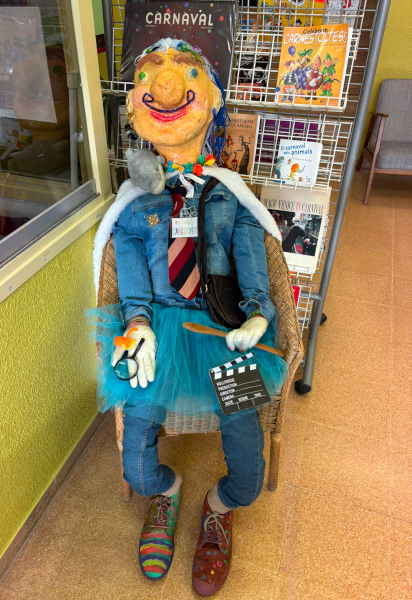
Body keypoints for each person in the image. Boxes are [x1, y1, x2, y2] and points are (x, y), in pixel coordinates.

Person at [90, 39, 288, 597]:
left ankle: (221, 506)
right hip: (160, 333)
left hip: (225, 333)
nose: (167, 82)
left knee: (247, 473)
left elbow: (252, 264)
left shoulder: (229, 196)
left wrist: (258, 316)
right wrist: (138, 324)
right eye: (152, 72)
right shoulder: (134, 208)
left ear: (212, 100)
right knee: (135, 464)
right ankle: (166, 489)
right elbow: (133, 284)